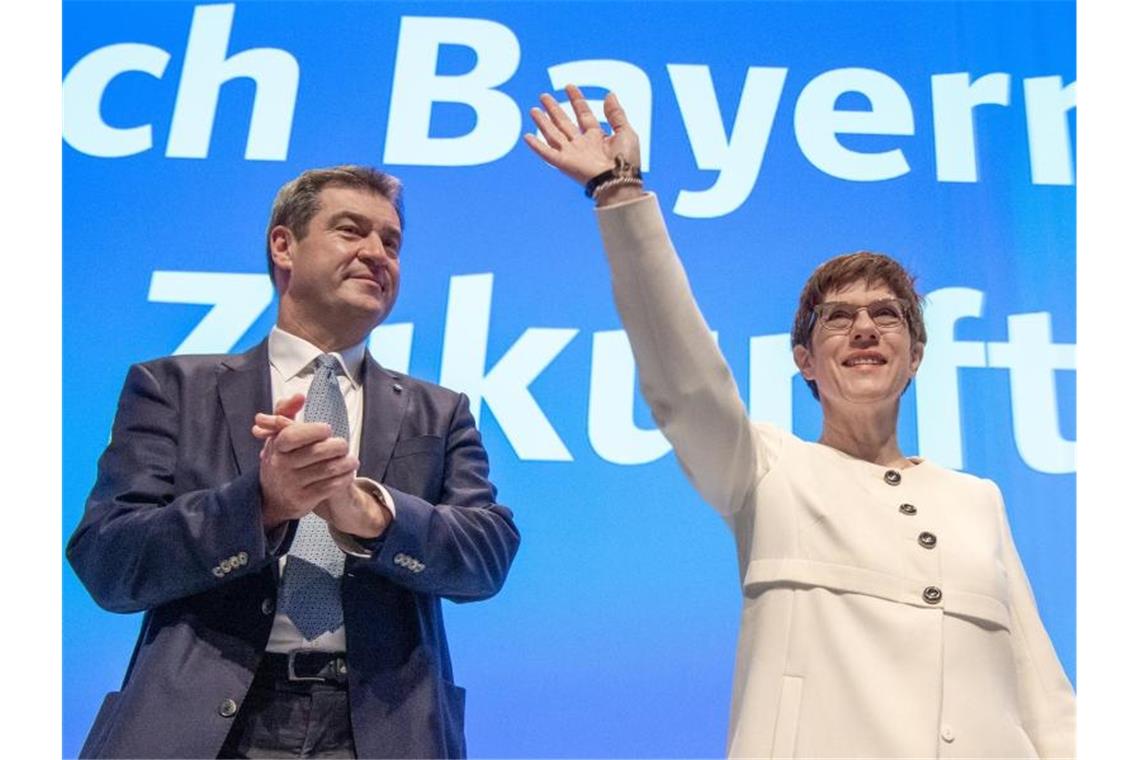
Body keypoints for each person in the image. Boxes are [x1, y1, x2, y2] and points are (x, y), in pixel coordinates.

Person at [525, 86, 1074, 759]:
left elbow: (1046, 699)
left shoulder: (977, 501)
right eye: (838, 318)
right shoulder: (765, 472)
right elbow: (684, 376)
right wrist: (619, 191)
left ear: (916, 356)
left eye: (887, 315)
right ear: (805, 361)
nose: (865, 328)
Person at [67, 165, 520, 759]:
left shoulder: (440, 412)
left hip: (379, 730)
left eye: (392, 242)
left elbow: (485, 557)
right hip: (204, 727)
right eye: (351, 231)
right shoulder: (173, 389)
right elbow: (109, 561)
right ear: (283, 245)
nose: (376, 253)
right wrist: (261, 504)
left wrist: (374, 516)